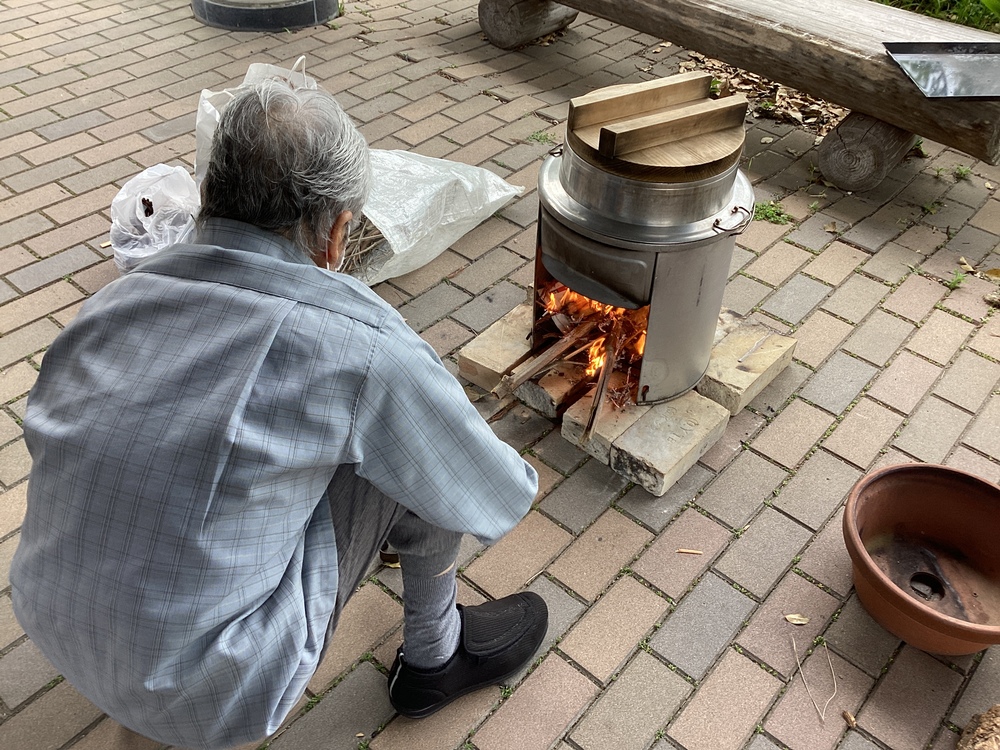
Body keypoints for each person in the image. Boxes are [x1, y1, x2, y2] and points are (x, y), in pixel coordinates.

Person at [10, 78, 547, 750]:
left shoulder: (114, 303)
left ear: (212, 196)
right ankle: (435, 659)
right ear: (336, 233)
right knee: (412, 451)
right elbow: (490, 490)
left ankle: (147, 702)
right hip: (216, 690)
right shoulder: (360, 343)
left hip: (50, 612)